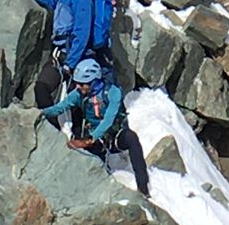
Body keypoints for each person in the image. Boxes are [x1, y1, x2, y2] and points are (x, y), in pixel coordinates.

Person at [42, 58, 150, 197]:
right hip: (94, 138)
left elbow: (109, 120)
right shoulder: (78, 95)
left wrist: (91, 139)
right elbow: (60, 108)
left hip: (113, 135)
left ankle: (143, 187)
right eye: (77, 83)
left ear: (94, 81)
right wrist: (40, 113)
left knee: (131, 138)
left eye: (82, 84)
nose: (78, 87)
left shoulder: (113, 92)